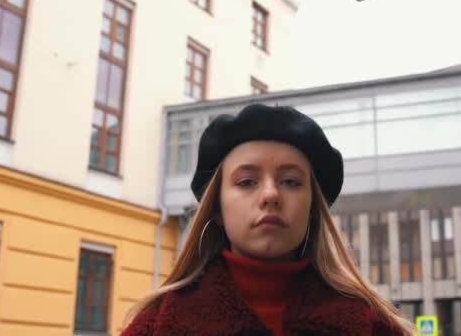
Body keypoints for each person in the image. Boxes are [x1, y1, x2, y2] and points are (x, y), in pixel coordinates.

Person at [121, 103, 414, 335]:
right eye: (247, 181)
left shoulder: (370, 326)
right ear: (217, 209)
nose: (271, 194)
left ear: (313, 209)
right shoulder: (159, 326)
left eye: (290, 181)